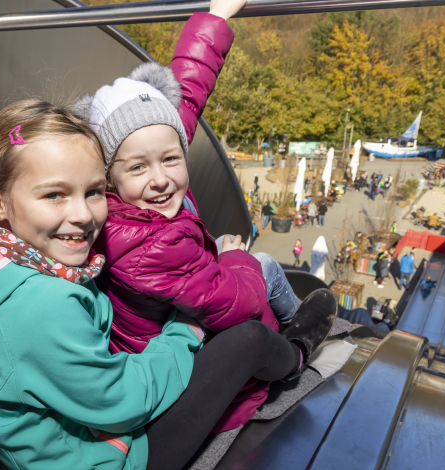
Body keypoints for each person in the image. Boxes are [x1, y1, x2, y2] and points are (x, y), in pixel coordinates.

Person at [0, 99, 338, 470]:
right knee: (248, 340)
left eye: (94, 191)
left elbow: (155, 128)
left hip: (31, 436)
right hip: (112, 453)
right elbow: (121, 403)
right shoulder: (43, 305)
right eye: (54, 195)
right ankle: (298, 352)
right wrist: (185, 331)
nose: (83, 215)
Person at [78, 11, 334, 435]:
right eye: (138, 167)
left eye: (171, 159)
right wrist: (236, 260)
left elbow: (187, 97)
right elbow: (240, 304)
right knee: (263, 267)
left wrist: (215, 18)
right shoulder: (145, 246)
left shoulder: (135, 194)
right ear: (109, 176)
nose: (160, 178)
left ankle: (287, 319)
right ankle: (291, 344)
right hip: (193, 377)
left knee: (257, 264)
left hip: (180, 298)